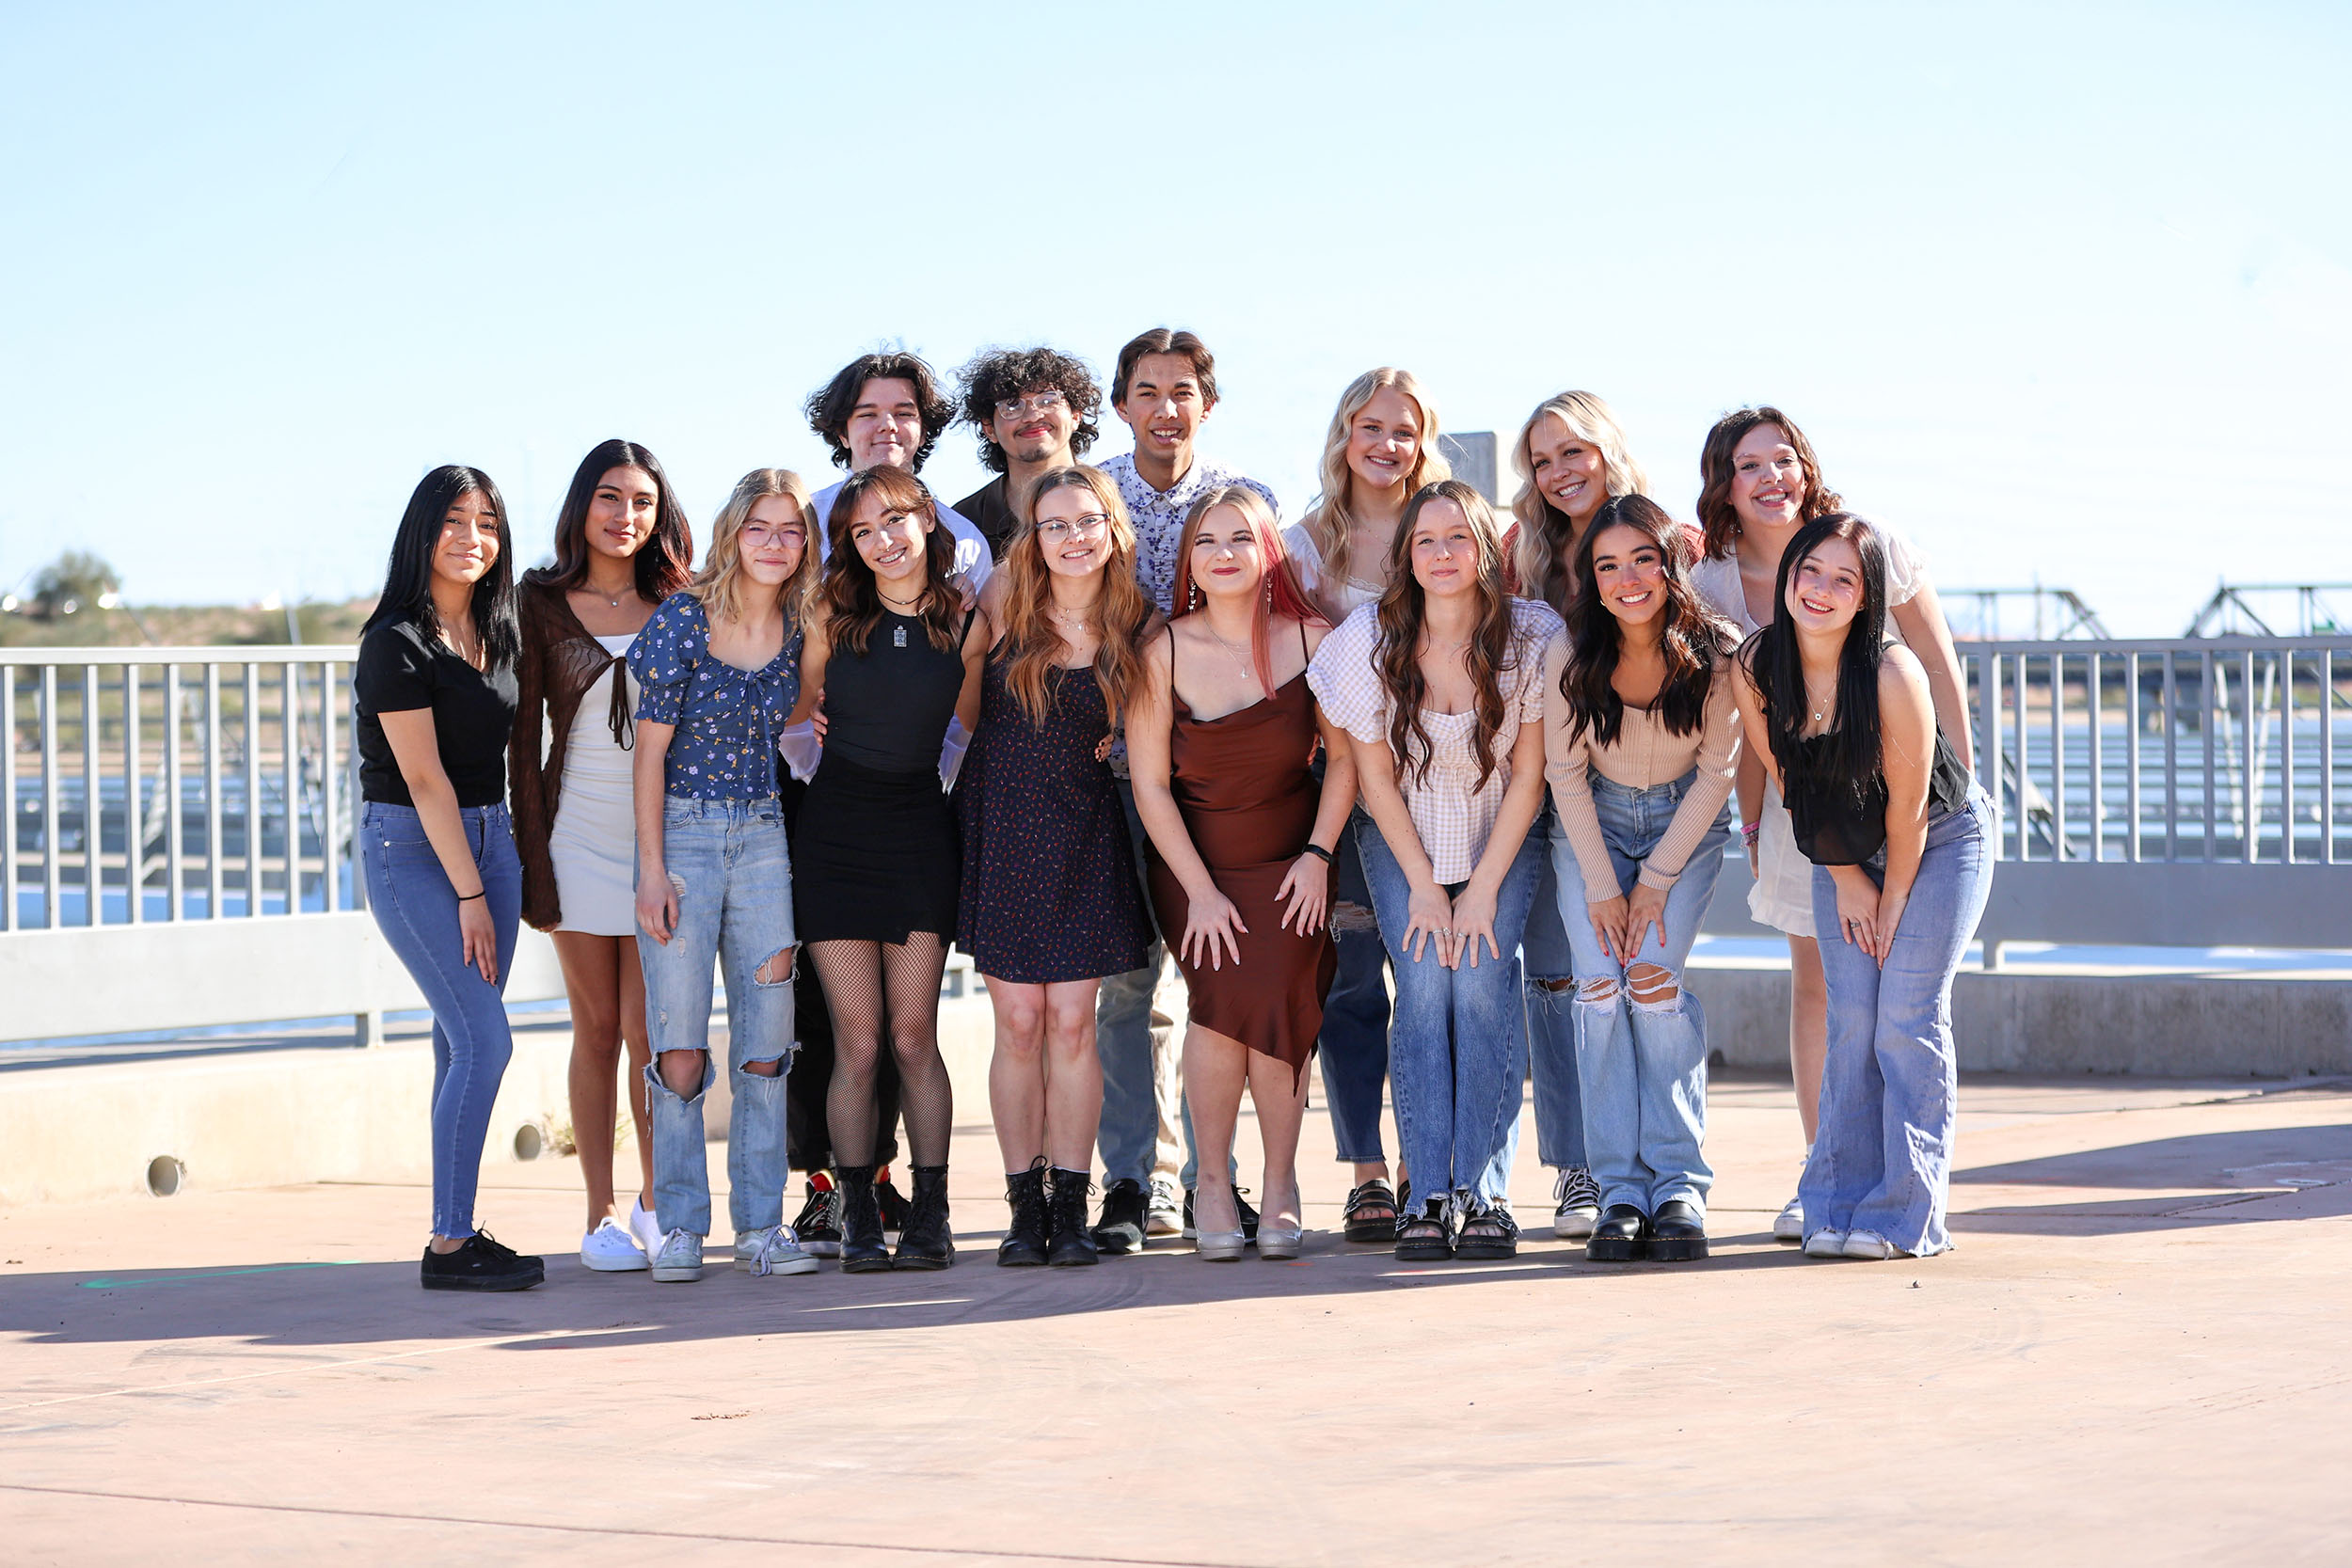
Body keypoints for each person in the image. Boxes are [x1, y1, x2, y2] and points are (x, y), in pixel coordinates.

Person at [1689, 407, 1972, 1243]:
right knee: (1827, 993)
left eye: (1784, 458)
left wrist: (1960, 771)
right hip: (1802, 809)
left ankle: (1895, 1200)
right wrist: (1751, 816)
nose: (1771, 476)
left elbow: (1936, 658)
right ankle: (1829, 1182)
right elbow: (1752, 725)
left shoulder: (1864, 543)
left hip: (1908, 796)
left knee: (1901, 1010)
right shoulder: (1713, 585)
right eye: (1750, 465)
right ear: (1725, 485)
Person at [1308, 479, 1561, 1263]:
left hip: (1502, 834)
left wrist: (1481, 888)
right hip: (1401, 835)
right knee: (1421, 984)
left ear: (1487, 551)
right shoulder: (1368, 640)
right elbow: (1373, 780)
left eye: (1459, 538)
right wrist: (1423, 883)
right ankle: (1427, 1196)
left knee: (1482, 981)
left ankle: (1483, 1192)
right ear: (1405, 556)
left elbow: (1529, 777)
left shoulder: (1531, 634)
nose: (1443, 553)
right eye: (1426, 540)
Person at [1731, 514, 1993, 1260]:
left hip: (1937, 841)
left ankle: (1907, 1216)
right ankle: (1835, 1208)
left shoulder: (1890, 672)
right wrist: (1848, 879)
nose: (1820, 589)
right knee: (1851, 1021)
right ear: (1788, 578)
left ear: (1866, 596)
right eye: (1810, 570)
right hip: (1841, 846)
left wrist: (1891, 899)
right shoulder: (1754, 665)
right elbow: (1792, 784)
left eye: (1844, 579)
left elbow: (1909, 816)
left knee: (1904, 1014)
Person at [784, 351, 998, 1250]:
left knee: (914, 1036)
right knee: (856, 1041)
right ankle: (859, 1210)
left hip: (918, 833)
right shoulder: (832, 614)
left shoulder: (968, 616)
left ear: (926, 518)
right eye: (864, 530)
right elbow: (799, 722)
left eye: (896, 522)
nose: (882, 540)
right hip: (835, 835)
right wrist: (807, 742)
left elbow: (970, 731)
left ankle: (936, 1209)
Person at [1091, 325, 1281, 1251]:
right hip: (1122, 773)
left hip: (1232, 785)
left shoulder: (1243, 502)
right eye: (1146, 390)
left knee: (1226, 988)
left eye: (1182, 390)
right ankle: (1133, 1181)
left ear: (1207, 403)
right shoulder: (1093, 499)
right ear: (1120, 403)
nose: (1164, 407)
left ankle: (1220, 1179)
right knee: (1130, 987)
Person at [1133, 485, 1354, 1261]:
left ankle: (1283, 1182)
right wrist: (1197, 889)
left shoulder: (1314, 640)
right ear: (1189, 560)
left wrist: (1320, 856)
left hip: (1294, 865)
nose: (1223, 553)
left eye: (1239, 538)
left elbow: (1346, 764)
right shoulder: (1160, 648)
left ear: (1269, 553)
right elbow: (1151, 784)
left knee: (1286, 1004)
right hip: (1197, 869)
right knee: (1220, 1001)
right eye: (1206, 541)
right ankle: (1216, 1184)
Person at [958, 467, 1155, 1267]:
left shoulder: (1137, 624)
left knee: (1074, 1025)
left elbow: (1150, 737)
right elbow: (955, 706)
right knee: (1018, 1023)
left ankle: (1071, 1208)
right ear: (1033, 537)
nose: (1073, 537)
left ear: (1112, 528)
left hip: (1083, 832)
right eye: (1054, 525)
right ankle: (1022, 1210)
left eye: (1087, 521)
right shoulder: (1005, 600)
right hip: (1000, 827)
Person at [628, 469, 821, 1283]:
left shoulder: (806, 625)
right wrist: (651, 869)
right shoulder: (684, 618)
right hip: (682, 834)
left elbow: (806, 719)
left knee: (767, 1044)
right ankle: (678, 1226)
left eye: (791, 530)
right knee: (677, 1043)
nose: (775, 544)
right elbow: (649, 751)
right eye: (760, 528)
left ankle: (760, 1227)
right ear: (733, 532)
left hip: (765, 834)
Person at [353, 465, 541, 1292]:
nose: (472, 537)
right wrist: (468, 891)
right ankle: (450, 1242)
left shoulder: (499, 631)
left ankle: (452, 1232)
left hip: (491, 840)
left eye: (488, 522)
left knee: (454, 1041)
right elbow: (424, 781)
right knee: (485, 1039)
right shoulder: (393, 642)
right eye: (455, 521)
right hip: (415, 851)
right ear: (421, 533)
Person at [510, 438, 693, 1273]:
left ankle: (660, 1206)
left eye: (643, 502)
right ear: (583, 506)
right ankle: (601, 1215)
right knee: (596, 1028)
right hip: (575, 836)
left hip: (666, 840)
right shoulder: (538, 601)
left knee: (651, 1032)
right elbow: (522, 743)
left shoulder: (685, 601)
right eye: (610, 498)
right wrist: (530, 862)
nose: (626, 516)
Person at [1542, 496, 1739, 1264]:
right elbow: (1563, 769)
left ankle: (1678, 1184)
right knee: (1599, 987)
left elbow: (1718, 772)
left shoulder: (1717, 650)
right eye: (1607, 565)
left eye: (1643, 559)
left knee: (1650, 982)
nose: (1627, 579)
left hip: (1684, 825)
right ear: (1591, 578)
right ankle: (1620, 1187)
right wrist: (1602, 882)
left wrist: (1654, 880)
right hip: (1591, 819)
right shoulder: (1572, 650)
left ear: (1671, 562)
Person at [1282, 368, 1450, 1243]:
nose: (1387, 445)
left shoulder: (1457, 527)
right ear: (1344, 433)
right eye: (1370, 427)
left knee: (1432, 982)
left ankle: (1432, 1160)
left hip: (1447, 790)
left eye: (1405, 430)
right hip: (1344, 792)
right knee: (1353, 986)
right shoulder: (1305, 546)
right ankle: (1367, 1172)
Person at [1504, 390, 1656, 1240]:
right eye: (1542, 459)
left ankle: (1653, 1167)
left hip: (1648, 794)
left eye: (1574, 452)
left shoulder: (1665, 538)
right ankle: (1580, 1172)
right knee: (1560, 982)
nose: (1559, 472)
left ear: (1608, 449)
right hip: (1549, 791)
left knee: (1642, 980)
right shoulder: (1523, 555)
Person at [953, 345, 1103, 561]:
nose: (1032, 416)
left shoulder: (1118, 499)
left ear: (1076, 415)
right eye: (1012, 405)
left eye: (1048, 400)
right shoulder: (963, 523)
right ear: (989, 428)